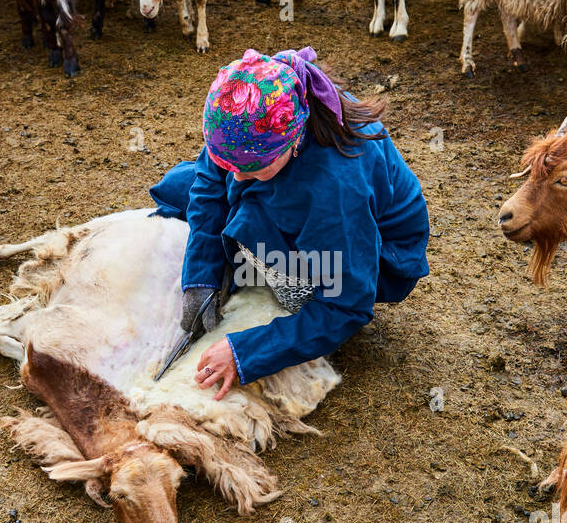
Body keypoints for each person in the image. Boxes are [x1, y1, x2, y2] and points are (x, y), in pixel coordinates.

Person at [150, 47, 429, 400]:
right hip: (293, 182)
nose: (235, 175)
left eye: (249, 167)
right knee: (184, 187)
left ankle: (267, 264)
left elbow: (347, 305)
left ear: (292, 142)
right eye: (229, 163)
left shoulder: (336, 190)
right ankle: (245, 239)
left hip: (378, 255)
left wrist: (246, 351)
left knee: (244, 222)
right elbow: (210, 179)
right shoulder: (247, 107)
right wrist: (201, 275)